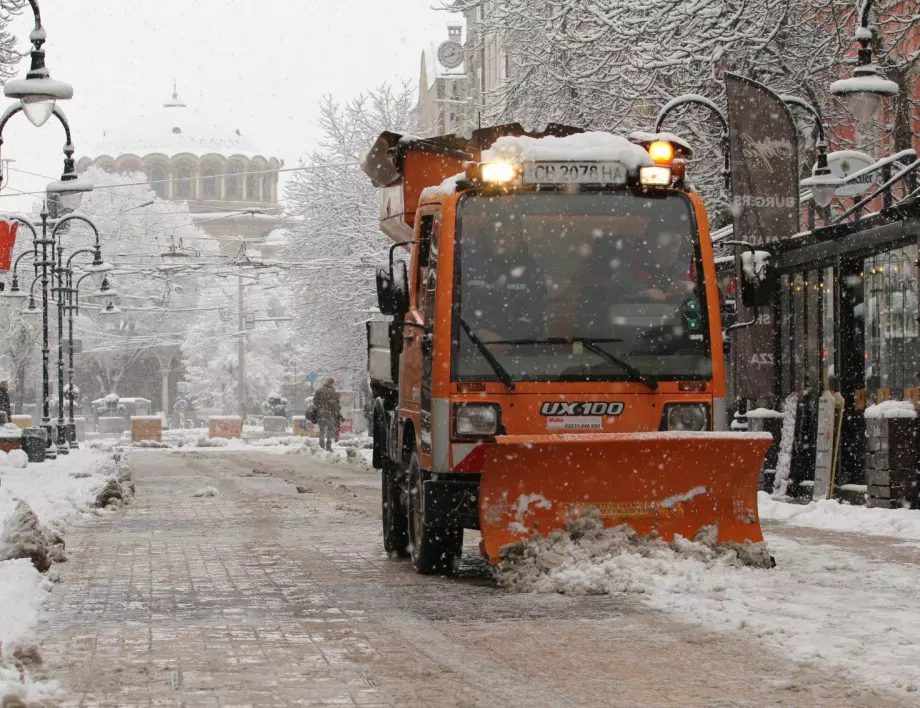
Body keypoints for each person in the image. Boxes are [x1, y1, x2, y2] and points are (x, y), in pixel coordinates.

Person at [462, 222, 546, 342]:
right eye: (499, 234)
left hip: (521, 352)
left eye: (511, 236)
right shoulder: (468, 267)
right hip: (472, 350)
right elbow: (455, 313)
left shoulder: (532, 273)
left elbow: (535, 317)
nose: (504, 240)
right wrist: (476, 332)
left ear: (520, 239)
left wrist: (507, 342)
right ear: (489, 237)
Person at [312, 378, 341, 451]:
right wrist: (337, 414)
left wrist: (319, 408)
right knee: (330, 430)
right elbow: (335, 404)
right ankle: (328, 446)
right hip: (330, 414)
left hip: (320, 413)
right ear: (331, 383)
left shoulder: (319, 390)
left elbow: (315, 402)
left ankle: (321, 446)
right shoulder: (333, 392)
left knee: (321, 430)